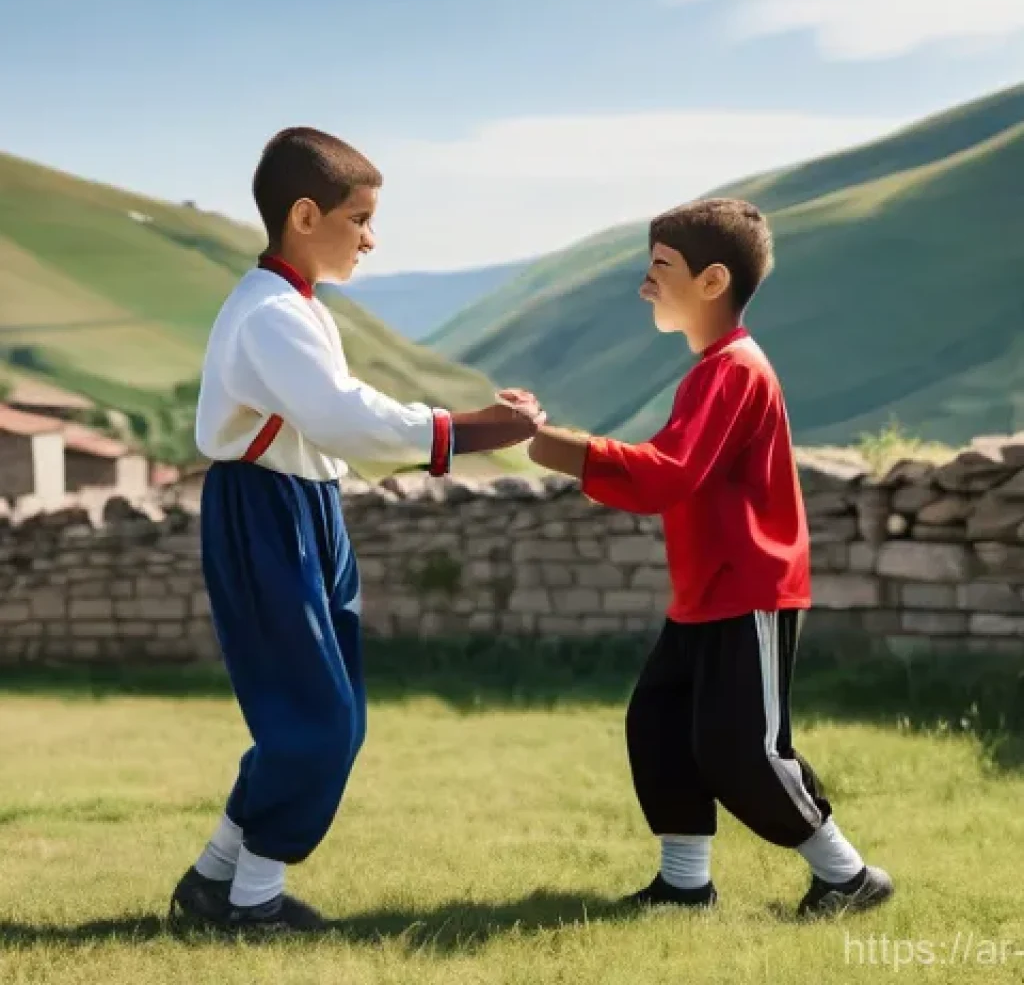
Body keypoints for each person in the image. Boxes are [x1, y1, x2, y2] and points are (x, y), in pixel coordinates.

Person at [169, 127, 544, 933]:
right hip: (266, 515)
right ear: (306, 215)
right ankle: (251, 903)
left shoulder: (293, 307)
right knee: (317, 721)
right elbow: (343, 418)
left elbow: (336, 412)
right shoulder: (270, 314)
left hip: (306, 510)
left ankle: (214, 883)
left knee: (331, 716)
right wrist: (470, 429)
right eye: (360, 219)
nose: (371, 239)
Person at [527, 198, 893, 918]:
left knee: (741, 751)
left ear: (713, 280)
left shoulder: (733, 371)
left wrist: (548, 444)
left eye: (659, 267)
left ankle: (847, 876)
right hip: (705, 594)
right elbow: (676, 476)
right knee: (659, 726)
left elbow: (668, 472)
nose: (644, 284)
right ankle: (685, 885)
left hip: (749, 589)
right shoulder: (712, 371)